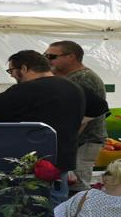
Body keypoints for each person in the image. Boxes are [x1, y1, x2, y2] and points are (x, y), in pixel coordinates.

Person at [0, 50, 107, 217]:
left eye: (12, 70)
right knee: (56, 204)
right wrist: (78, 124)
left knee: (21, 202)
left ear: (24, 68)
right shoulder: (74, 86)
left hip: (28, 158)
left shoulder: (26, 90)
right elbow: (100, 105)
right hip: (61, 156)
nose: (12, 75)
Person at [45, 40, 107, 193]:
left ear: (71, 57)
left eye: (51, 56)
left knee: (77, 187)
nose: (47, 59)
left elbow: (84, 116)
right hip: (78, 141)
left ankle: (79, 216)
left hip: (83, 141)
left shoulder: (82, 78)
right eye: (45, 56)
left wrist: (66, 143)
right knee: (72, 185)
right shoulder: (74, 76)